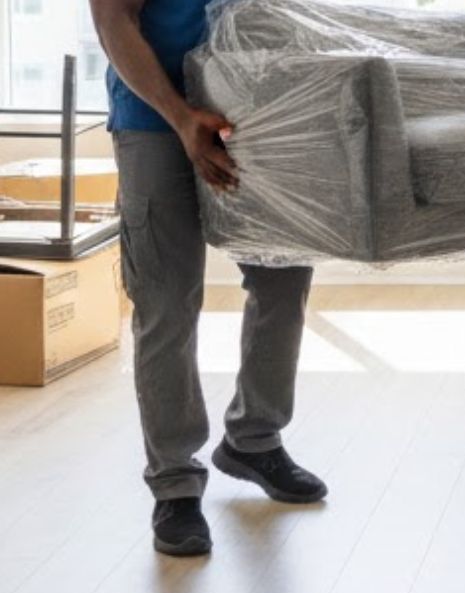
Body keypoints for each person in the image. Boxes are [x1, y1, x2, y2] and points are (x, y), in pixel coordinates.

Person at [90, 0, 327, 558]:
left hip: (258, 117)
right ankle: (174, 482)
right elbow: (112, 20)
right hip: (155, 119)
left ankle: (254, 438)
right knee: (167, 301)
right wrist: (181, 119)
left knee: (283, 273)